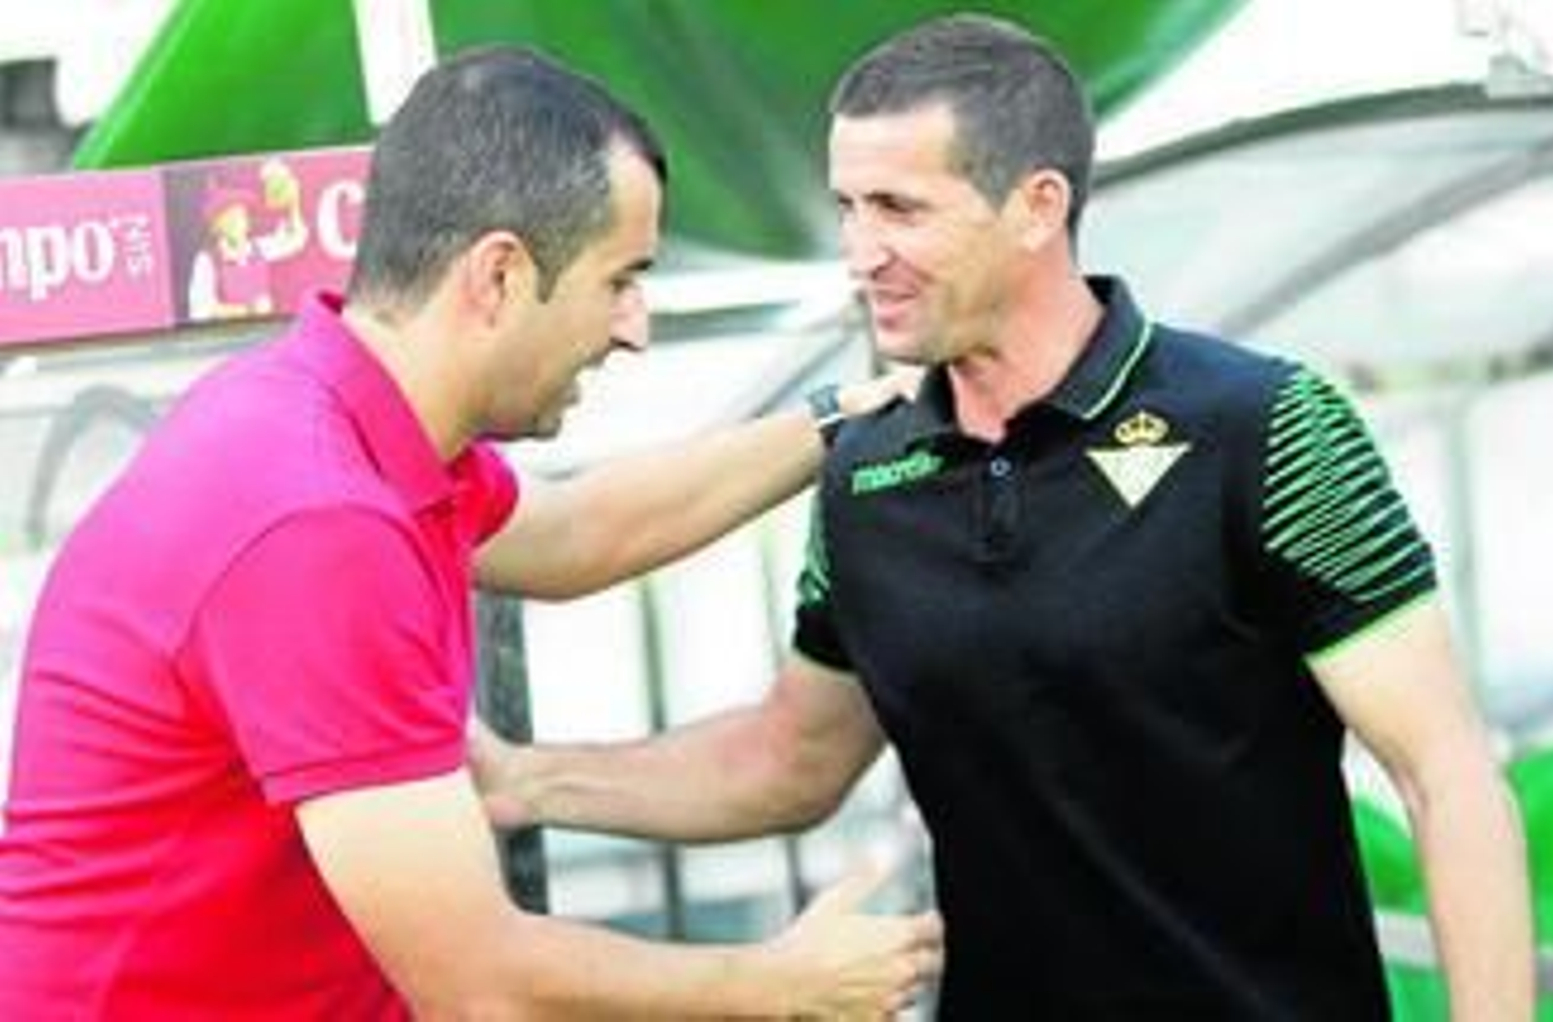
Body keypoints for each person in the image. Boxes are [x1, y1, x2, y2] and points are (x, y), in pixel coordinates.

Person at [470, 13, 1536, 1020]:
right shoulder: (864, 473)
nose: (857, 252)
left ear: (1035, 206)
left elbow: (1443, 775)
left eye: (899, 209)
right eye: (848, 207)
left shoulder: (1262, 427)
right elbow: (788, 759)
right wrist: (528, 779)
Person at [0, 46, 943, 1018]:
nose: (634, 327)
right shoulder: (315, 519)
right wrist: (776, 981)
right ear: (497, 274)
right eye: (618, 279)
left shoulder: (344, 419)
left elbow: (578, 530)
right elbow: (480, 984)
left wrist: (839, 419)